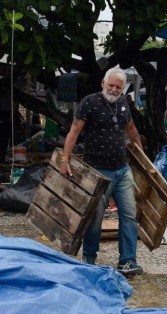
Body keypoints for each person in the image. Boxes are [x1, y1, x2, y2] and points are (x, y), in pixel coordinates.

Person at [59, 67, 144, 276]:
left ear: (123, 88)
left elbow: (131, 129)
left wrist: (142, 157)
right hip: (97, 171)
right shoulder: (90, 102)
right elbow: (74, 130)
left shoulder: (124, 103)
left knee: (129, 216)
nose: (114, 90)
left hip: (122, 170)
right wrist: (64, 159)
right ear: (103, 83)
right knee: (94, 218)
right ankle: (89, 258)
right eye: (111, 85)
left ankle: (127, 261)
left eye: (118, 87)